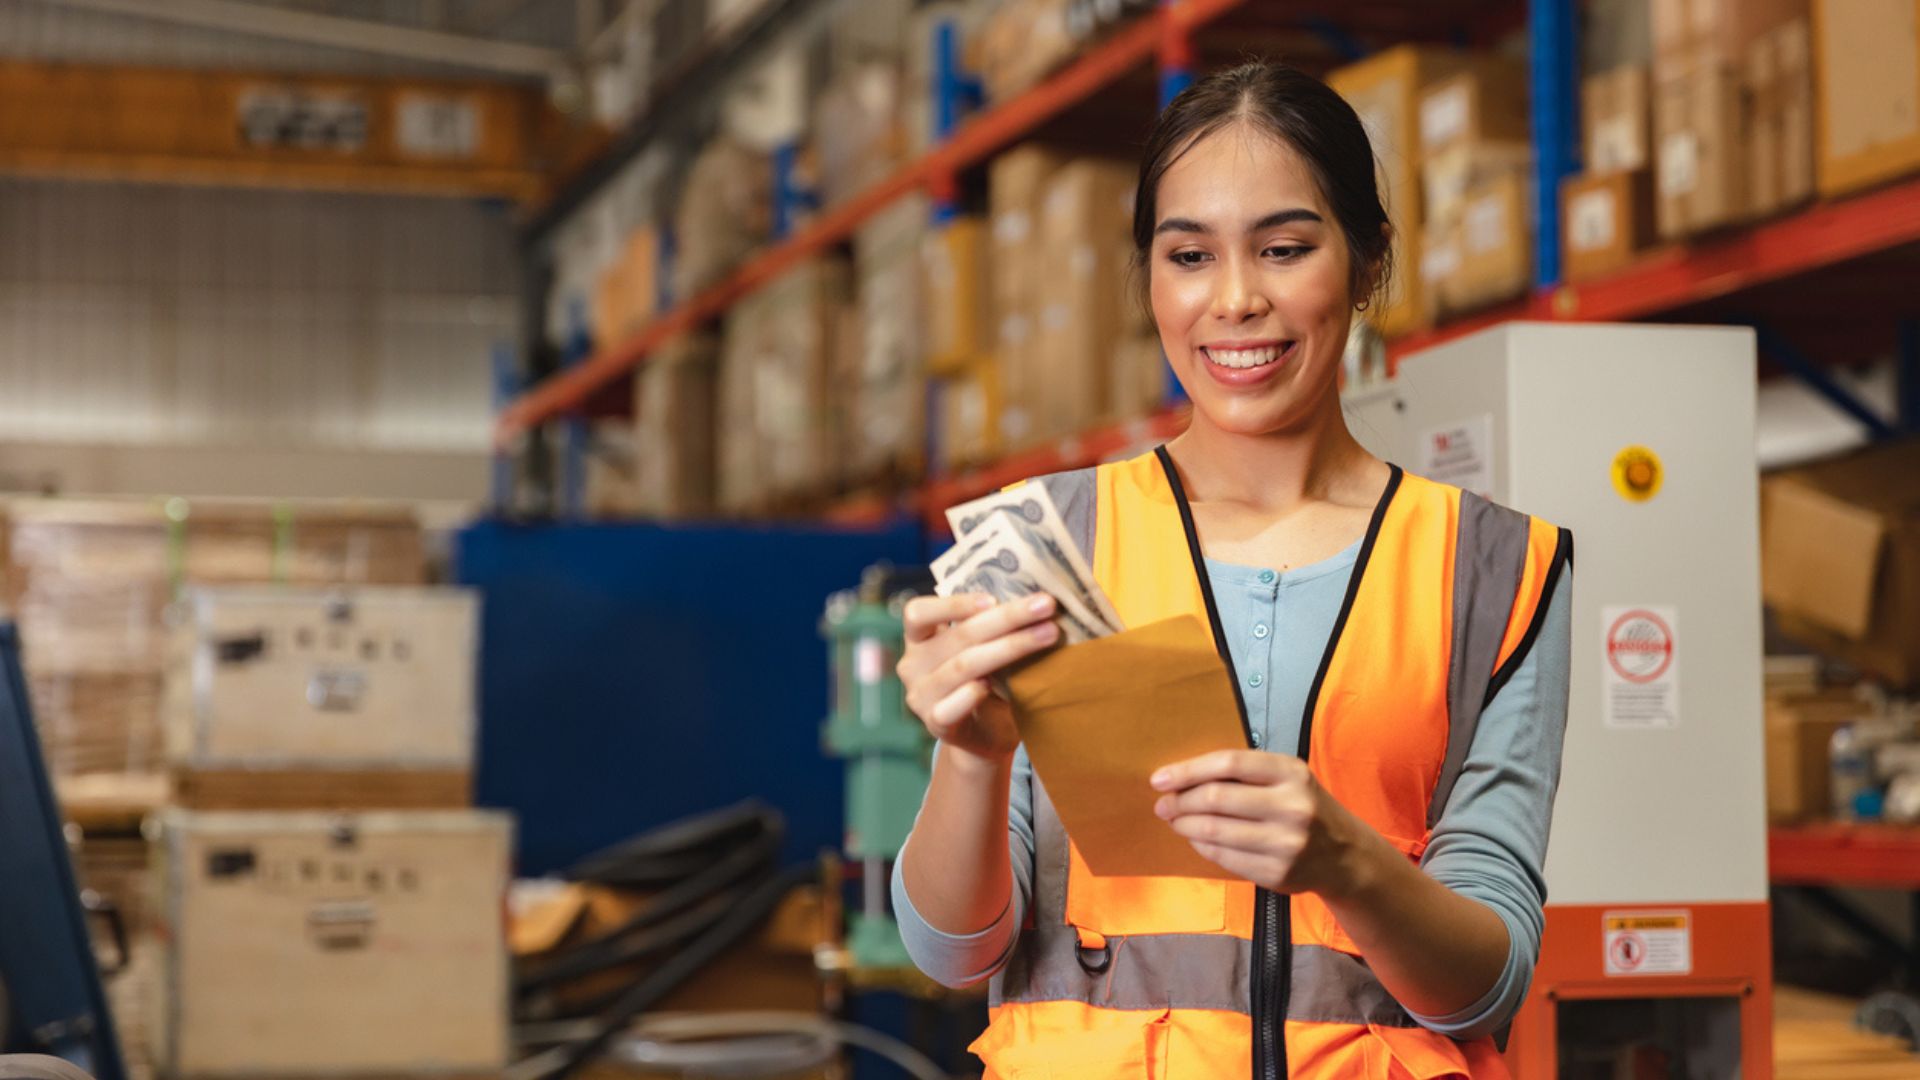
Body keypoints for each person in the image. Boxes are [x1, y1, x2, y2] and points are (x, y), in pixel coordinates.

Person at [891, 60, 1573, 1078]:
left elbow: (1486, 983)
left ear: (1368, 261)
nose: (1237, 300)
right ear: (1151, 278)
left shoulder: (1495, 571)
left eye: (1286, 249)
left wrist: (1343, 861)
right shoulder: (1052, 541)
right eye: (1189, 256)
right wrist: (972, 759)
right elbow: (957, 949)